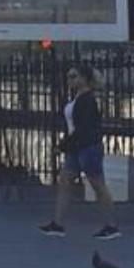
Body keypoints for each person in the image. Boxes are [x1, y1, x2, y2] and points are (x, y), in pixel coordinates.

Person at [39, 67, 118, 241]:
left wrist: (63, 145)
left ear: (84, 78)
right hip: (76, 147)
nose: (70, 80)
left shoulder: (88, 100)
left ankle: (111, 225)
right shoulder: (78, 99)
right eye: (68, 77)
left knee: (98, 185)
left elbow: (83, 128)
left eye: (74, 76)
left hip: (88, 147)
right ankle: (57, 224)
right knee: (65, 181)